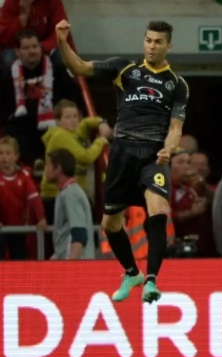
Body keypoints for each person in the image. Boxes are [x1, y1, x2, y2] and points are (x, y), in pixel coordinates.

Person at [54, 19, 189, 303]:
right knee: (110, 224)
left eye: (158, 42)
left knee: (158, 209)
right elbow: (80, 68)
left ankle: (151, 280)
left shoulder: (177, 85)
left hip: (154, 154)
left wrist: (169, 149)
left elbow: (176, 128)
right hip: (123, 153)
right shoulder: (124, 69)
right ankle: (132, 272)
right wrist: (62, 42)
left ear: (169, 46)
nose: (152, 46)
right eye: (148, 40)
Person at [44, 149, 94, 260]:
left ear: (58, 169)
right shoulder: (67, 193)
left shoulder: (70, 194)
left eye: (48, 165)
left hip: (78, 265)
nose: (45, 170)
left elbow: (79, 235)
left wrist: (70, 265)